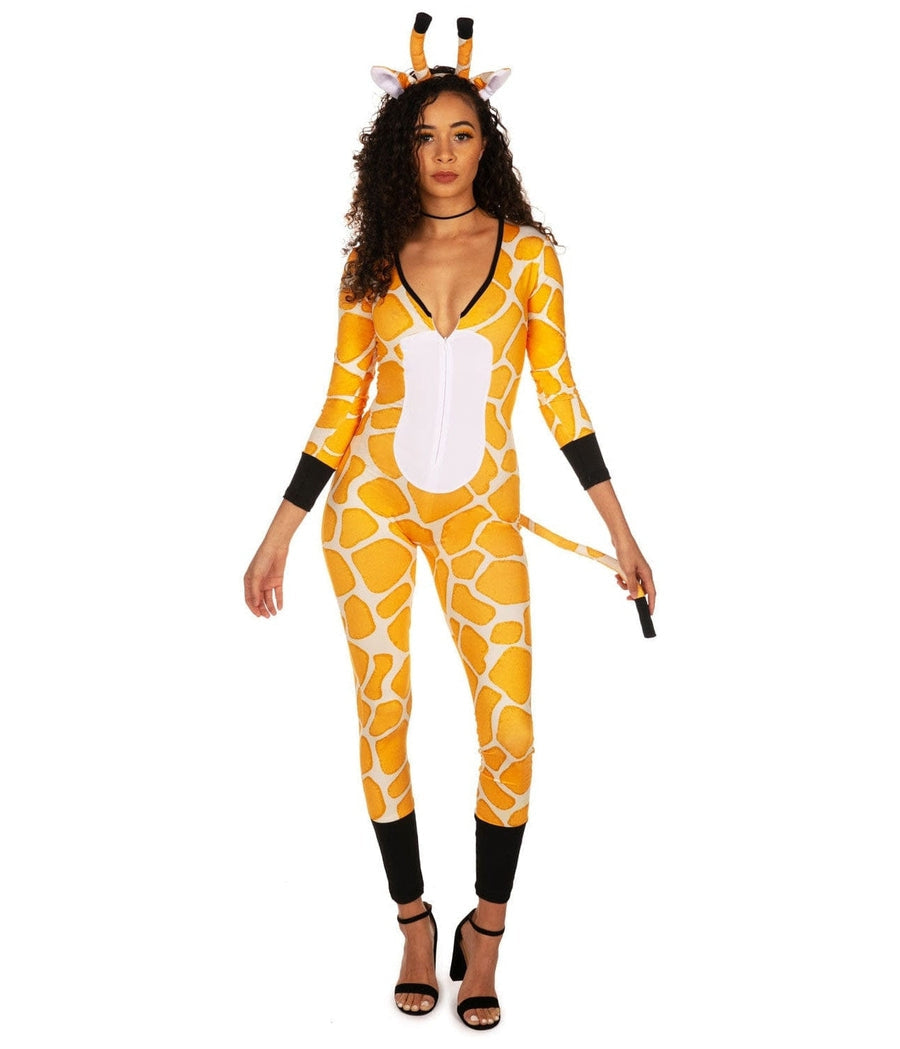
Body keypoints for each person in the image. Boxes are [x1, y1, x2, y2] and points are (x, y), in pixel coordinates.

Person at [243, 13, 655, 1031]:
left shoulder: (529, 258)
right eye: (424, 135)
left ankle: (489, 930)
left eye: (462, 133)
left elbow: (561, 399)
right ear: (400, 145)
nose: (443, 153)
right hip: (371, 511)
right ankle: (415, 922)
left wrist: (622, 530)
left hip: (478, 513)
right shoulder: (369, 263)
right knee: (384, 714)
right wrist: (279, 530)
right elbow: (339, 409)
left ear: (487, 142)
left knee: (509, 727)